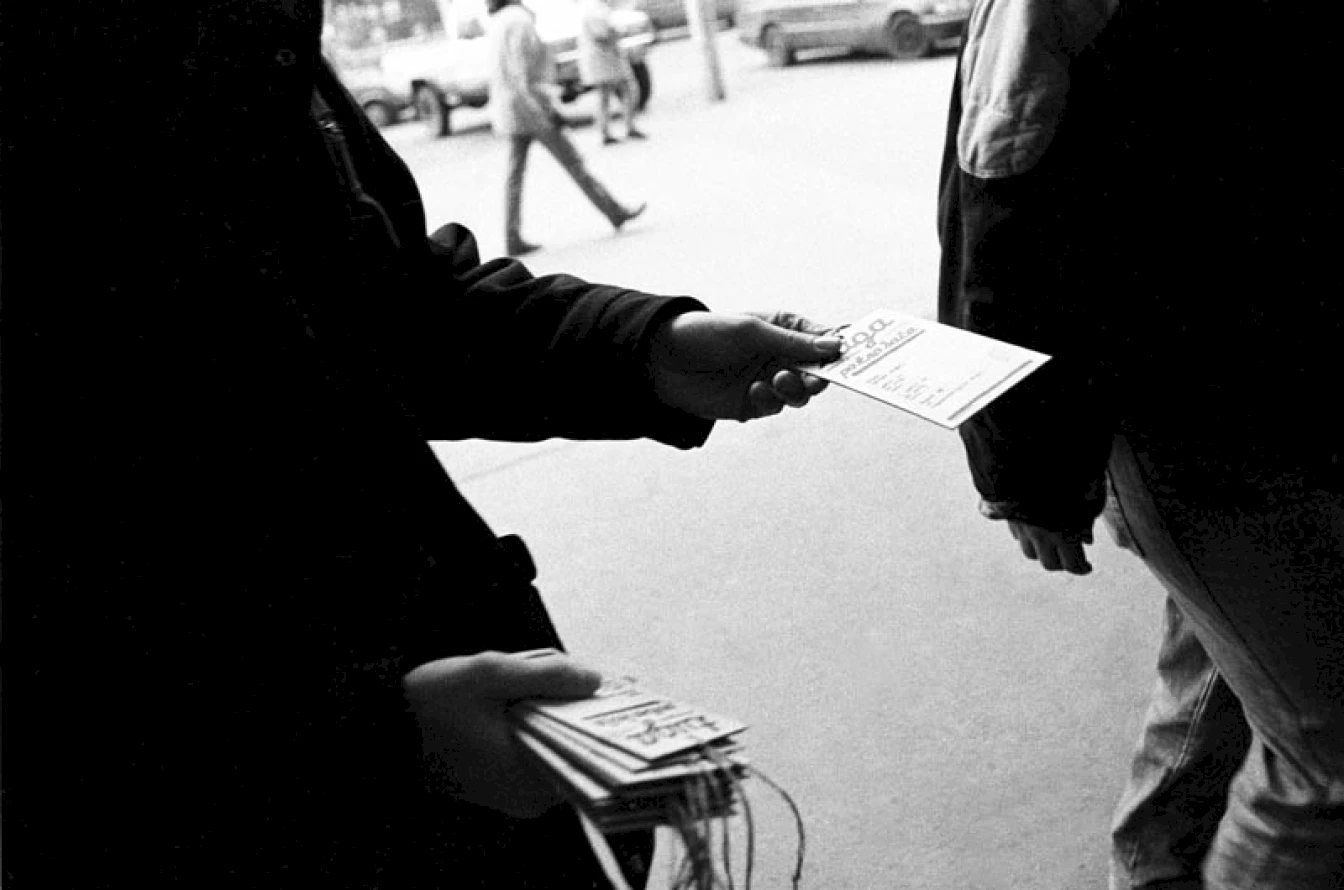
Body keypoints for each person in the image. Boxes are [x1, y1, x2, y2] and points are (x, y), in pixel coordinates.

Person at [1, 1, 844, 886]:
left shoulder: (248, 35)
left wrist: (643, 349)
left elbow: (388, 306)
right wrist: (366, 736)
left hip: (450, 738)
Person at [936, 0, 1343, 887]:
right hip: (1195, 413)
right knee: (1328, 759)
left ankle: (1152, 870)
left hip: (1287, 391)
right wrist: (1029, 473)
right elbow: (1001, 221)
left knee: (1234, 683)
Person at [486, 0, 644, 256]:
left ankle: (511, 235)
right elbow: (521, 74)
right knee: (574, 164)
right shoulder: (519, 21)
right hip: (531, 109)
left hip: (512, 109)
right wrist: (547, 109)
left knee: (515, 175)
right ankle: (614, 211)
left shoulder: (499, 22)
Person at [578, 0, 646, 145]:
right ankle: (624, 127)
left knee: (606, 96)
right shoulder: (595, 10)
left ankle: (609, 130)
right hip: (604, 58)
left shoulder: (594, 8)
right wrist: (617, 34)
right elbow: (601, 36)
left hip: (603, 58)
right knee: (623, 91)